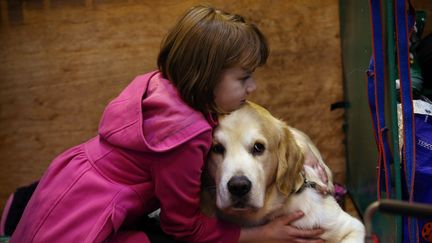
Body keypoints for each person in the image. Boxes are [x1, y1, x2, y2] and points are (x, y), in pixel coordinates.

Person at [11, 5, 325, 243]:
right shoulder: (186, 137)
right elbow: (182, 226)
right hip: (89, 223)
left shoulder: (158, 87)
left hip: (64, 188)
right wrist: (259, 235)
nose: (252, 87)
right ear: (208, 78)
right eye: (244, 78)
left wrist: (298, 147)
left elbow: (260, 123)